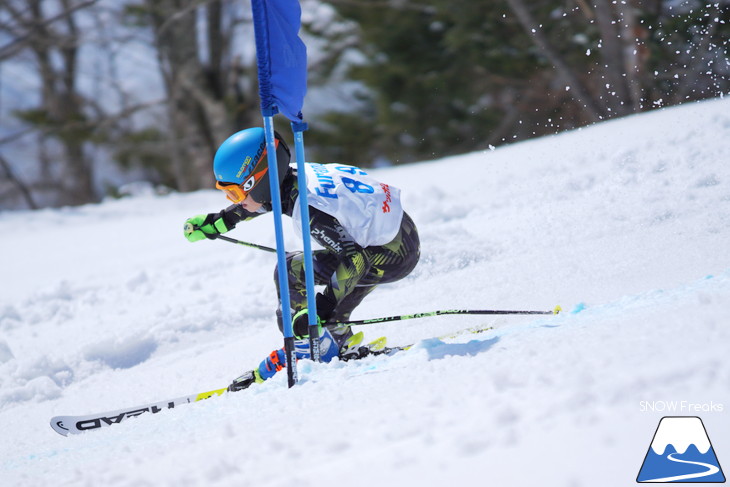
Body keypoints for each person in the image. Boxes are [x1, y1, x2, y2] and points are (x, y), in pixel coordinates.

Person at [183, 127, 420, 390]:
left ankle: (308, 347)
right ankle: (336, 342)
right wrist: (221, 221)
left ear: (258, 182)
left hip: (391, 254)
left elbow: (355, 260)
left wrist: (321, 308)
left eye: (236, 194)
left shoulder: (310, 211)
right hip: (394, 232)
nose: (235, 201)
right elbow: (268, 200)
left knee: (291, 271)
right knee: (307, 279)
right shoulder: (290, 176)